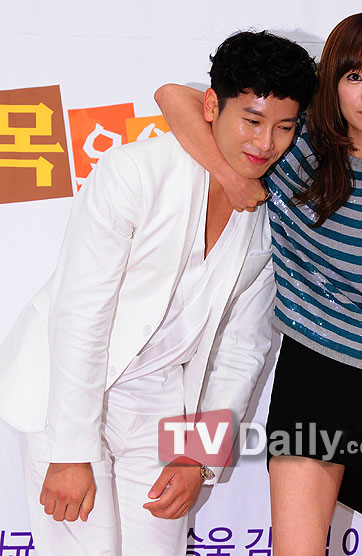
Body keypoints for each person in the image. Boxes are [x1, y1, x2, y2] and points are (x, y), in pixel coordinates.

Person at [155, 12, 362, 556]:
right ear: (333, 83)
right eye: (354, 76)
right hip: (311, 384)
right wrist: (234, 179)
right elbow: (172, 97)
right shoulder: (293, 149)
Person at [0, 31, 317, 556]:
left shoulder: (266, 215)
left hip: (163, 402)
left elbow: (243, 348)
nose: (265, 144)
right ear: (212, 106)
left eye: (284, 128)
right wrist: (70, 449)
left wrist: (198, 455)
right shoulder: (135, 173)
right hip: (69, 391)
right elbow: (81, 313)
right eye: (252, 121)